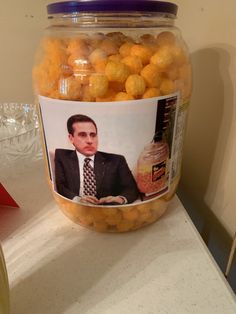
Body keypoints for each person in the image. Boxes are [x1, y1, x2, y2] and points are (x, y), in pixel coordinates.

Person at [54, 114, 139, 205]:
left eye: (93, 135)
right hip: (77, 210)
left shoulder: (116, 161)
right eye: (82, 135)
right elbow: (60, 186)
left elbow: (131, 189)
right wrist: (77, 200)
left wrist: (120, 199)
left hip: (109, 213)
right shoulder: (62, 157)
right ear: (71, 138)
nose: (90, 140)